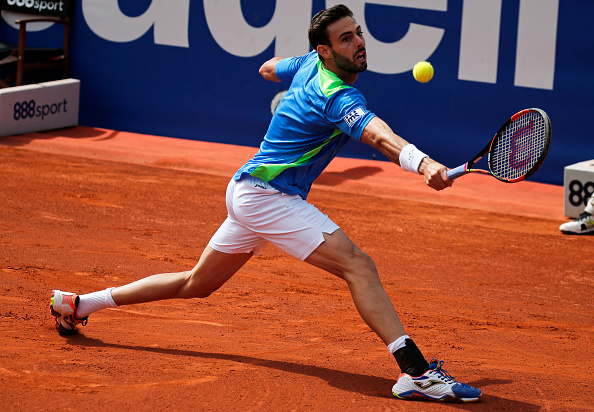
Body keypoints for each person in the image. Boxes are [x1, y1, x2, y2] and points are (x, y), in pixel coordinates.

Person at [50, 4, 481, 403]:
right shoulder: (338, 96)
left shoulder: (308, 64)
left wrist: (291, 76)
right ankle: (415, 372)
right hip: (267, 197)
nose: (359, 43)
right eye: (346, 39)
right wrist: (422, 163)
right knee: (358, 264)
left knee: (196, 284)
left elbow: (267, 67)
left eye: (358, 33)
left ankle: (79, 303)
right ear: (326, 50)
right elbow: (376, 135)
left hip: (246, 190)